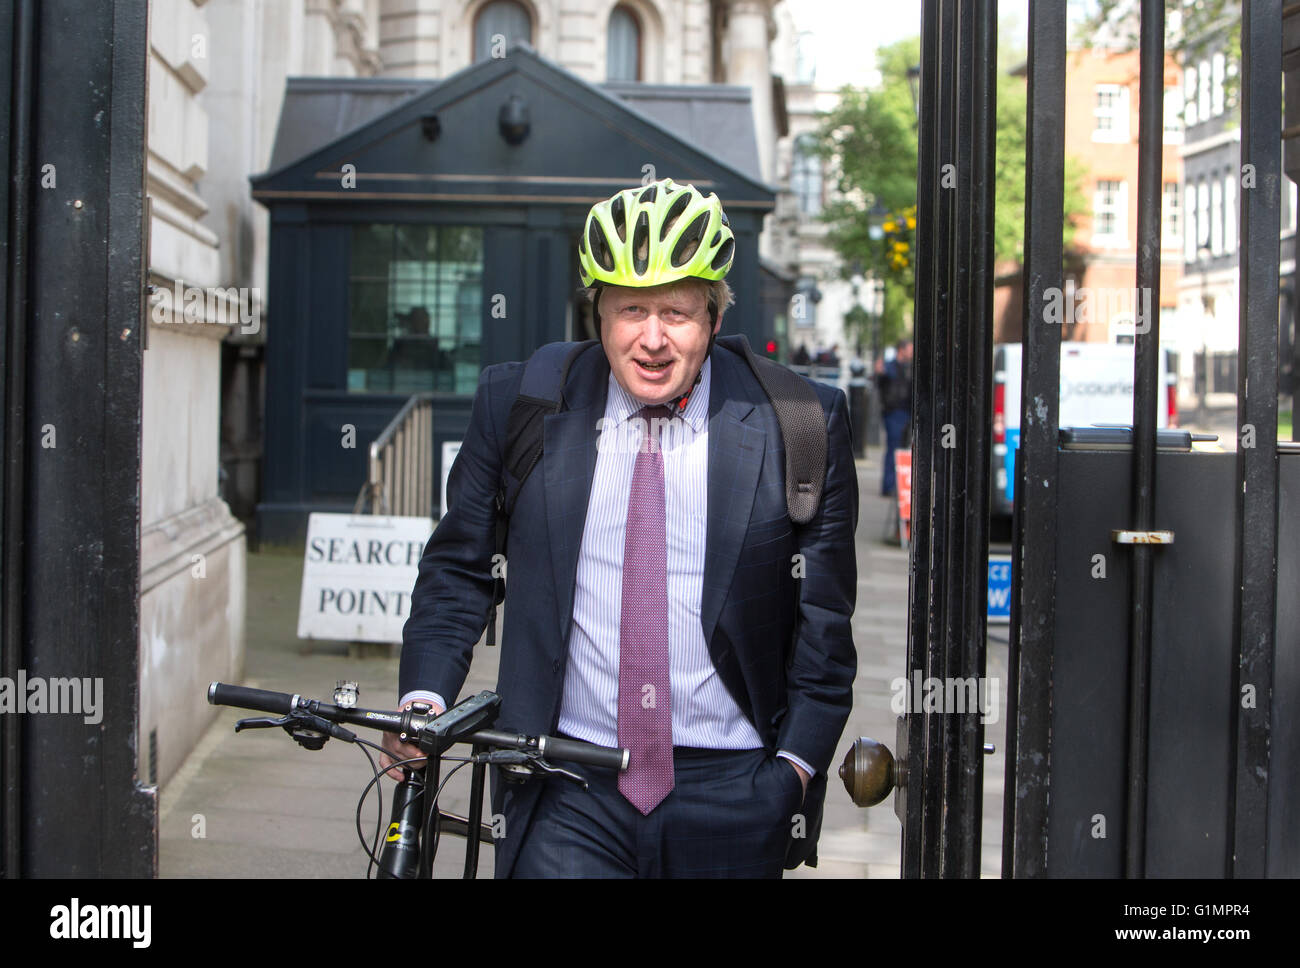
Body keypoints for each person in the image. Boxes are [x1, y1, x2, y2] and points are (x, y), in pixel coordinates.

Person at [383, 177, 858, 878]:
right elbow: (459, 569)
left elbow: (824, 622)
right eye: (632, 309)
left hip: (732, 790)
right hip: (566, 786)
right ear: (598, 313)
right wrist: (423, 701)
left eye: (678, 311)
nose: (653, 338)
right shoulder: (519, 401)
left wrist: (792, 771)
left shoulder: (801, 420)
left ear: (715, 318)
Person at [875, 338, 913, 497]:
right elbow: (881, 381)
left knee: (902, 449)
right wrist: (879, 372)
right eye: (910, 349)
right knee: (893, 448)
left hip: (906, 411)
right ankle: (888, 485)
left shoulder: (909, 367)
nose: (911, 352)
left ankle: (898, 485)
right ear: (901, 349)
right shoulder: (889, 366)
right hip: (894, 412)